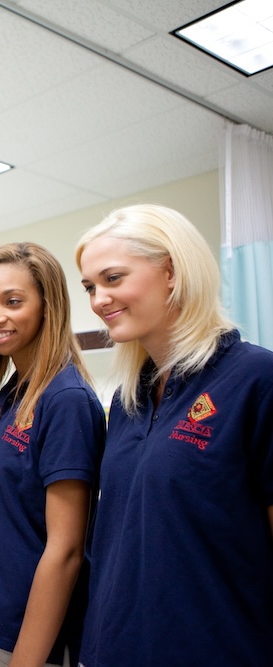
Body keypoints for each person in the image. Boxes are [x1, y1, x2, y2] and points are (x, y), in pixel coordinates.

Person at [76, 204, 273, 666]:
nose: (98, 299)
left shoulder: (255, 379)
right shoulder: (127, 402)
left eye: (113, 278)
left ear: (170, 271)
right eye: (90, 286)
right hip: (114, 647)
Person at [0, 242, 105, 667]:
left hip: (24, 636)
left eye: (12, 302)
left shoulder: (66, 400)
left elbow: (66, 549)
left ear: (48, 305)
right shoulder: (8, 397)